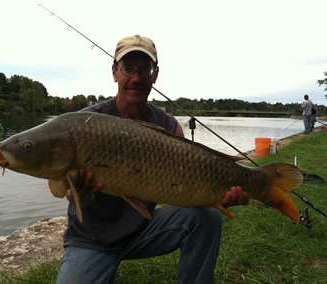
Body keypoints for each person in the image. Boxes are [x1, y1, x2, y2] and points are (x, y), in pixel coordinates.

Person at [56, 35, 249, 284]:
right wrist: (81, 194)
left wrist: (219, 196)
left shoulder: (169, 127)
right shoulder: (83, 124)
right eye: (128, 69)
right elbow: (69, 194)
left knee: (207, 217)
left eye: (144, 69)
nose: (136, 78)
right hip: (92, 241)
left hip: (143, 231)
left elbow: (188, 188)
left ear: (154, 75)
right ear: (115, 72)